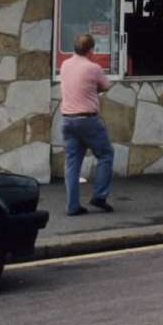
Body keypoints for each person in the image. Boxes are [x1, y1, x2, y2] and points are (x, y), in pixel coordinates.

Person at [59, 33, 115, 215]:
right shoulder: (94, 68)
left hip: (67, 119)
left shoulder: (65, 65)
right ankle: (99, 196)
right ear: (91, 50)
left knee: (72, 164)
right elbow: (106, 86)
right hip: (88, 120)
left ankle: (72, 206)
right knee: (106, 154)